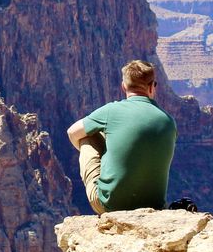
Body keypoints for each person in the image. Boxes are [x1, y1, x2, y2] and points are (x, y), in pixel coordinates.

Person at [66, 60, 177, 214]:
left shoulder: (111, 111)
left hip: (110, 205)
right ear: (152, 87)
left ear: (123, 86)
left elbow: (72, 132)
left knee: (88, 136)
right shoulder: (169, 122)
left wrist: (102, 155)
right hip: (155, 206)